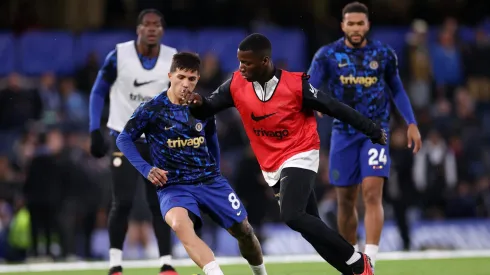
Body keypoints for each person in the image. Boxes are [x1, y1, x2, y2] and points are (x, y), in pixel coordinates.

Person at [185, 33, 387, 275]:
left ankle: (356, 260)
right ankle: (355, 272)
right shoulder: (236, 84)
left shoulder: (295, 85)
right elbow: (207, 108)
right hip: (271, 164)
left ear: (265, 61)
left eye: (246, 63)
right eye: (239, 62)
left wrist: (371, 129)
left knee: (292, 215)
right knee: (309, 227)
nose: (241, 67)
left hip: (301, 151)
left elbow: (333, 107)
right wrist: (197, 104)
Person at [116, 52, 268, 275]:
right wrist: (146, 169)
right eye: (181, 77)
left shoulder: (201, 106)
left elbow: (211, 136)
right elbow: (124, 138)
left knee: (244, 230)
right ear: (170, 76)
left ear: (197, 79)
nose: (186, 84)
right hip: (173, 185)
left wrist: (216, 169)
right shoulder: (153, 109)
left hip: (209, 181)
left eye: (192, 79)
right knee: (179, 224)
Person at [307, 2, 422, 271]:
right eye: (351, 23)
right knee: (345, 201)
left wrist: (411, 122)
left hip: (375, 134)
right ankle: (354, 260)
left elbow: (398, 90)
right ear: (343, 25)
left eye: (361, 23)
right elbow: (309, 85)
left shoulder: (383, 54)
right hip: (343, 134)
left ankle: (370, 260)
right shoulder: (327, 55)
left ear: (367, 25)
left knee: (372, 193)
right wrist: (313, 103)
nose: (356, 28)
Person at [88, 9, 178, 275]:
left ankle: (167, 264)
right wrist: (94, 129)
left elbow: (181, 96)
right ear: (138, 29)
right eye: (146, 25)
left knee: (161, 202)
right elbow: (98, 91)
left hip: (157, 141)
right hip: (123, 138)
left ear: (162, 30)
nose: (151, 29)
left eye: (157, 25)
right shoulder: (119, 55)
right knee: (122, 201)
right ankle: (115, 264)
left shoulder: (172, 59)